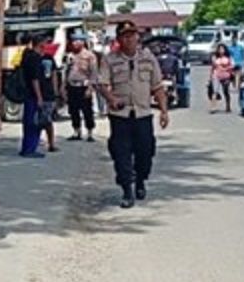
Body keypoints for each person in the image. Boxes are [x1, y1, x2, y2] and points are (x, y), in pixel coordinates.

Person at [99, 20, 170, 208]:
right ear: (119, 39)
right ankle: (127, 190)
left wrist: (164, 111)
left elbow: (157, 86)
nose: (129, 38)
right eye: (125, 35)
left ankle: (140, 181)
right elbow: (102, 84)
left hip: (143, 114)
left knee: (145, 152)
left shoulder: (148, 58)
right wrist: (111, 98)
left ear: (138, 37)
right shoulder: (110, 59)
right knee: (121, 154)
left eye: (133, 34)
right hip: (120, 115)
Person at [64, 30, 98, 141]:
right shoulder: (70, 56)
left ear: (82, 42)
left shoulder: (89, 56)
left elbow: (93, 73)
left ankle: (90, 133)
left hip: (84, 86)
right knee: (73, 110)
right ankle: (76, 132)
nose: (74, 43)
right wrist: (63, 86)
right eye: (73, 40)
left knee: (87, 110)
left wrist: (90, 88)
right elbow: (66, 71)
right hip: (71, 86)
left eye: (76, 40)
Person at [18, 36, 47, 157]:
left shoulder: (27, 56)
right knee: (34, 123)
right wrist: (39, 96)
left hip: (28, 93)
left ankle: (26, 147)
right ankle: (30, 148)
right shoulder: (35, 58)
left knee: (29, 122)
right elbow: (35, 79)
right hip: (33, 95)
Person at [209, 43, 235, 113]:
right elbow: (213, 67)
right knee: (215, 91)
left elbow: (232, 66)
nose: (221, 51)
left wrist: (226, 68)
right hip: (216, 75)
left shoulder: (229, 58)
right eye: (219, 49)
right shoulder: (215, 57)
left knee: (226, 91)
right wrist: (210, 77)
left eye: (222, 49)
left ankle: (228, 106)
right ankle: (213, 107)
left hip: (226, 76)